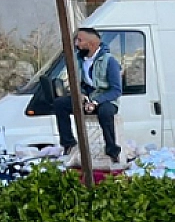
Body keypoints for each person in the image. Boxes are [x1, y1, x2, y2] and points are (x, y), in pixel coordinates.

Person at [53, 28, 124, 164]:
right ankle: (69, 144)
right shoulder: (79, 60)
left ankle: (112, 151)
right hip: (87, 99)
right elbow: (80, 83)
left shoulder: (110, 62)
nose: (76, 44)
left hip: (105, 100)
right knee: (60, 104)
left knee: (105, 112)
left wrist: (95, 102)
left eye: (80, 40)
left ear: (91, 44)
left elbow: (116, 90)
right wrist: (82, 95)